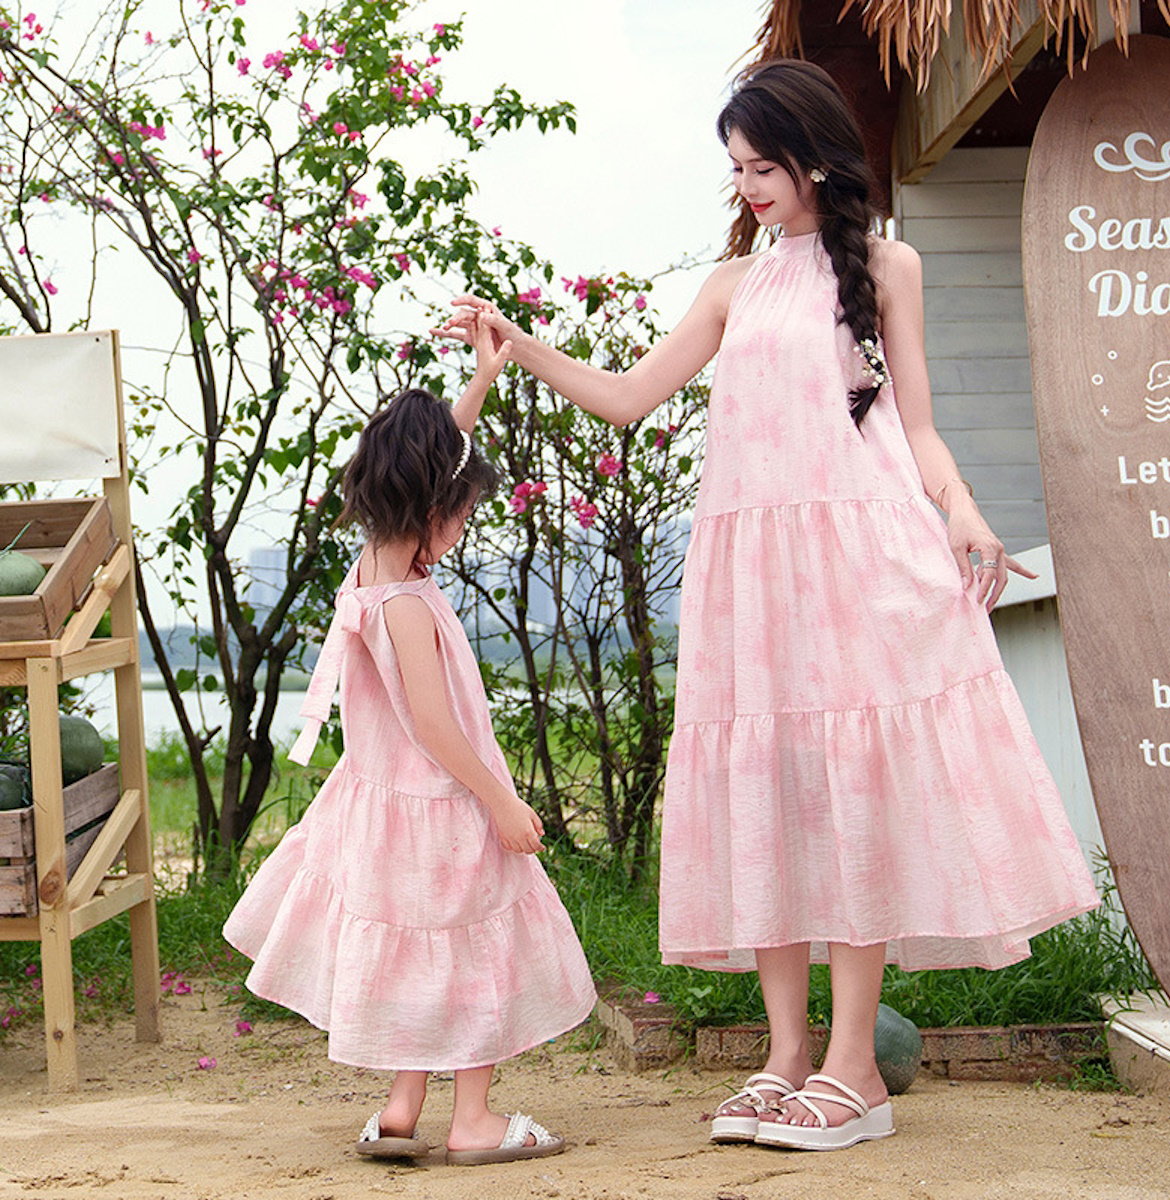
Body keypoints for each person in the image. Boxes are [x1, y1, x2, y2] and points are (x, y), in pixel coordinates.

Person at [435, 59, 1099, 1152]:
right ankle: (785, 1055)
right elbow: (627, 399)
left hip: (861, 560)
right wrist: (516, 341)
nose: (748, 186)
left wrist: (967, 515)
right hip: (751, 581)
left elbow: (918, 428)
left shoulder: (889, 264)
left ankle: (854, 1071)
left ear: (816, 158)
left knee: (850, 796)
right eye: (736, 169)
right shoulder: (731, 287)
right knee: (774, 797)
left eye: (764, 166)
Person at [223, 318, 596, 1166]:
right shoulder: (407, 609)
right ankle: (472, 1121)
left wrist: (481, 381)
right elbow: (434, 724)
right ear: (434, 509)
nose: (464, 530)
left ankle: (400, 1109)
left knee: (411, 958)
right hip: (446, 803)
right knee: (473, 954)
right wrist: (501, 800)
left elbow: (438, 451)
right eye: (462, 515)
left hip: (380, 807)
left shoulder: (373, 569)